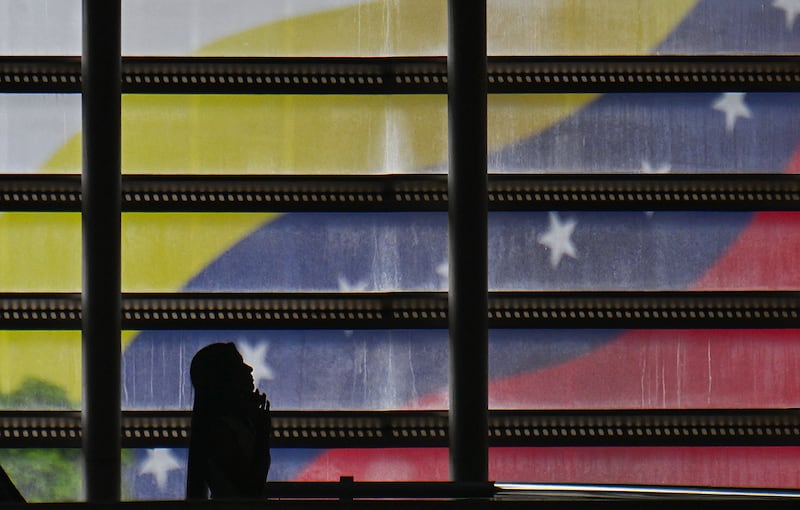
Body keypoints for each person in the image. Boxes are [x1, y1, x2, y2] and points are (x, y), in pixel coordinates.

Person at [186, 342, 271, 500]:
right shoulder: (219, 433)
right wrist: (262, 434)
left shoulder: (219, 429)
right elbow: (249, 490)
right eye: (239, 365)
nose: (249, 369)